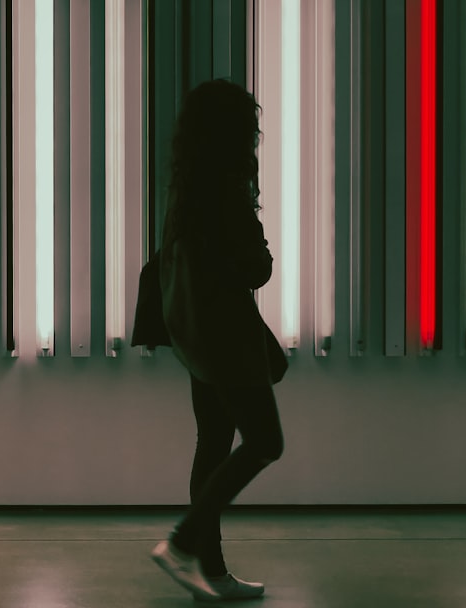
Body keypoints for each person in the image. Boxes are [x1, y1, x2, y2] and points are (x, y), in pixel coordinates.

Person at [148, 79, 288, 602]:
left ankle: (211, 570)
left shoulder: (187, 187)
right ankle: (183, 543)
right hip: (228, 338)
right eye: (248, 126)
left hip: (199, 339)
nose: (255, 134)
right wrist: (258, 243)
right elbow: (254, 269)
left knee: (213, 444)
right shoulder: (224, 189)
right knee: (265, 442)